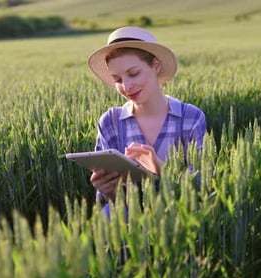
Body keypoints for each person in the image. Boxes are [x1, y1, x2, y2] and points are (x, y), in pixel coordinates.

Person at [86, 26, 206, 217]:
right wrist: (106, 189)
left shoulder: (190, 117)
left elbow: (203, 185)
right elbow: (107, 199)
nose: (126, 86)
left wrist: (162, 170)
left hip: (179, 218)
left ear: (156, 66)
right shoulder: (111, 122)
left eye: (133, 73)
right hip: (126, 222)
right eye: (117, 79)